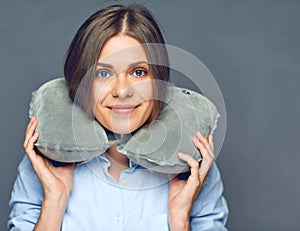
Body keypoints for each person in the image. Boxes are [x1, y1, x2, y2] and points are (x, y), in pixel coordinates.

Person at [8, 4, 228, 231]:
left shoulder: (191, 164)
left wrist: (180, 217)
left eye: (138, 72)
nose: (122, 91)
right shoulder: (45, 159)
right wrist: (54, 200)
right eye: (103, 74)